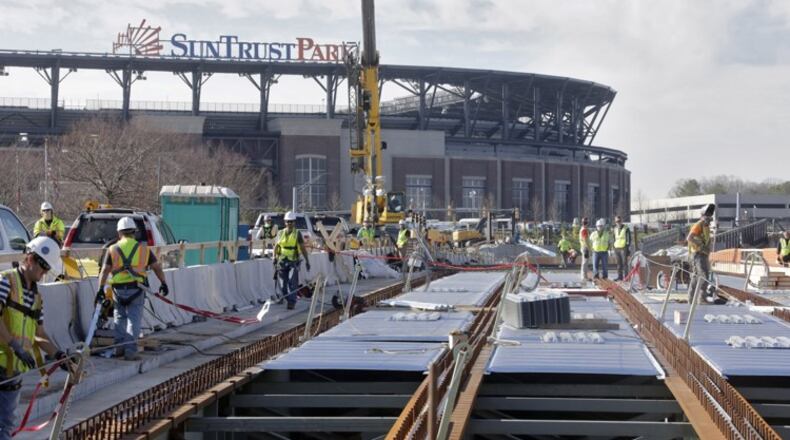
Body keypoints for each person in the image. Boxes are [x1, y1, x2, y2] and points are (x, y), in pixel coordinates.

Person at [0, 237, 72, 439]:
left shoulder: (37, 298)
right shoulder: (6, 282)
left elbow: (39, 335)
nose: (44, 273)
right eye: (43, 267)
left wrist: (59, 356)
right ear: (30, 259)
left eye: (48, 269)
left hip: (12, 370)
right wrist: (15, 346)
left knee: (6, 425)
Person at [96, 217, 168, 361]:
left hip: (118, 290)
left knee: (119, 318)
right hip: (137, 289)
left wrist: (100, 289)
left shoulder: (112, 249)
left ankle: (119, 349)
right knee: (134, 320)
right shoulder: (144, 249)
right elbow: (156, 267)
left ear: (119, 233)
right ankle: (130, 350)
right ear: (134, 232)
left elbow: (104, 271)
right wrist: (163, 283)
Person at [686, 204, 723, 304]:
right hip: (697, 254)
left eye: (710, 215)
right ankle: (700, 298)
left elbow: (706, 239)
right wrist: (701, 246)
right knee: (703, 275)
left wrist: (715, 231)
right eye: (707, 215)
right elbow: (689, 238)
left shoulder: (705, 226)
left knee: (698, 276)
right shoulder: (698, 225)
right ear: (702, 215)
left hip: (703, 254)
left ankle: (693, 299)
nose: (709, 217)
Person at [274, 211, 311, 310]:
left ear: (294, 222)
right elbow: (276, 247)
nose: (289, 223)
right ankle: (287, 298)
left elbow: (303, 248)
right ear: (285, 222)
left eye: (291, 221)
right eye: (288, 221)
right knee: (283, 285)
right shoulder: (280, 233)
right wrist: (274, 258)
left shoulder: (297, 234)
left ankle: (292, 302)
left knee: (292, 282)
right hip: (282, 261)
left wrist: (307, 261)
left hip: (293, 261)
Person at [612, 216, 632, 281]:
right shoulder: (615, 229)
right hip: (616, 248)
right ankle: (619, 277)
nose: (618, 223)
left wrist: (628, 248)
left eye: (619, 221)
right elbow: (614, 238)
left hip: (623, 248)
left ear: (621, 221)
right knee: (618, 264)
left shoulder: (626, 228)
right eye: (616, 221)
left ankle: (626, 277)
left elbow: (628, 239)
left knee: (625, 264)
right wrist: (613, 246)